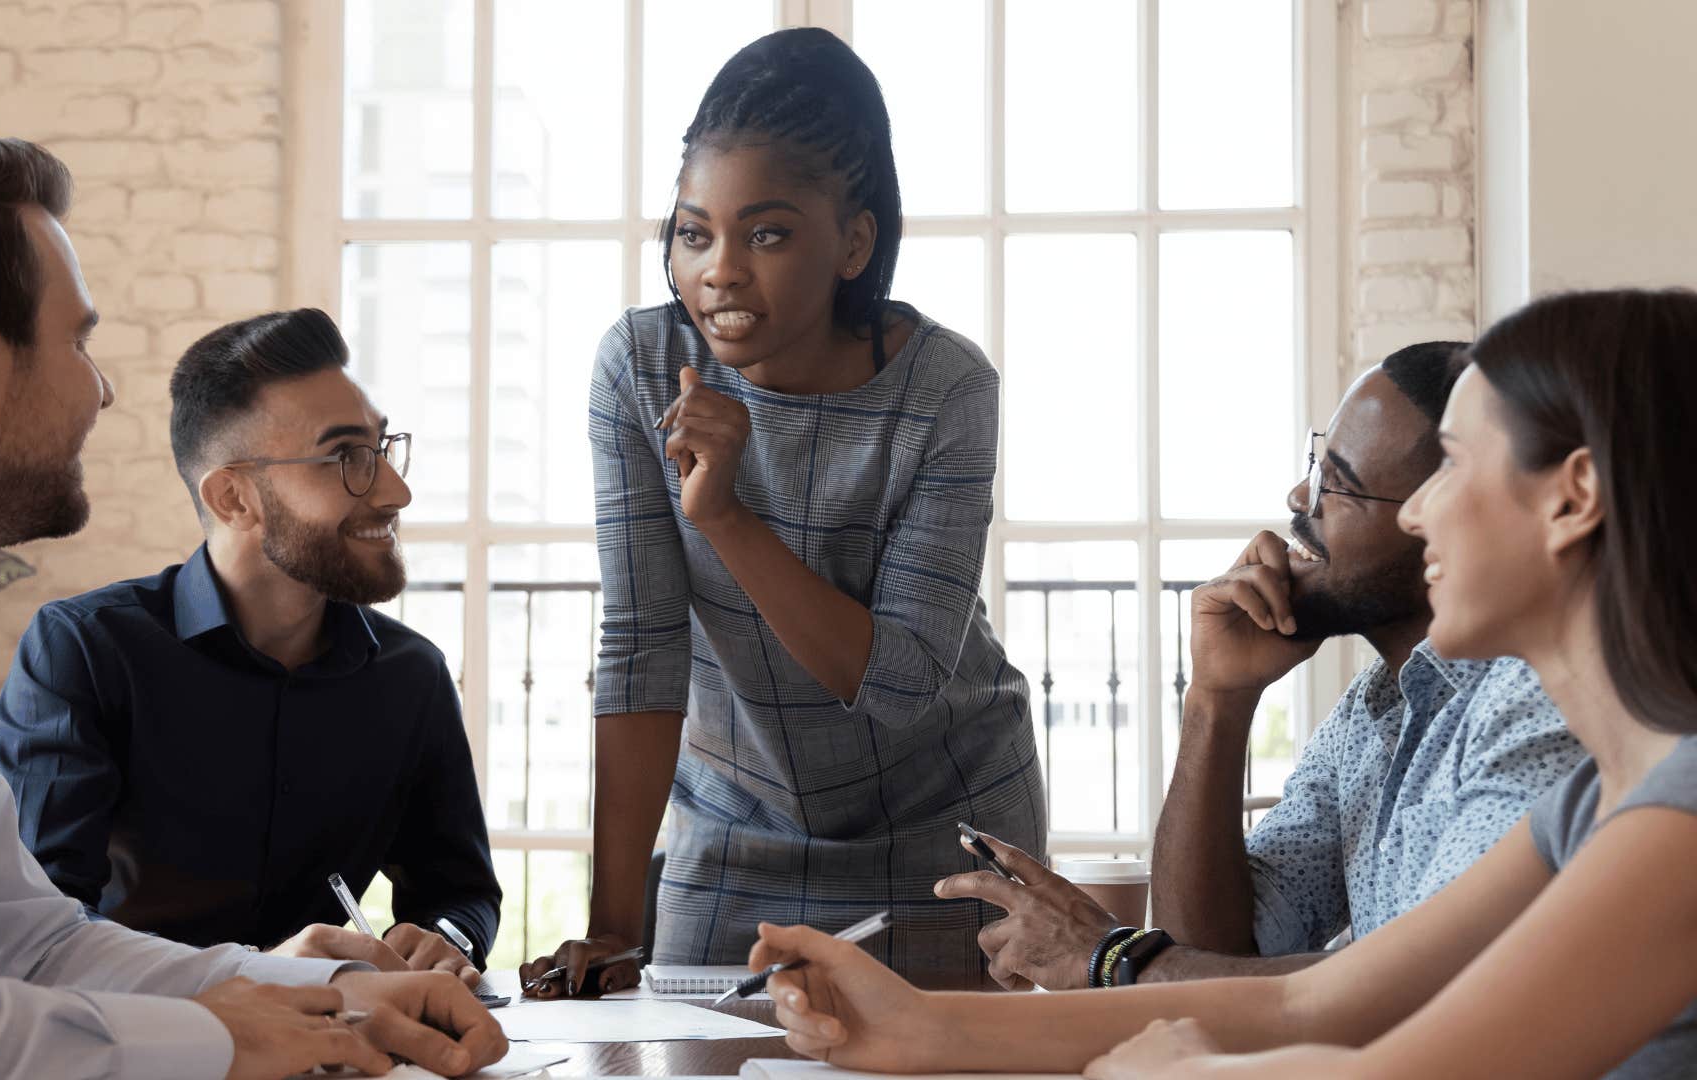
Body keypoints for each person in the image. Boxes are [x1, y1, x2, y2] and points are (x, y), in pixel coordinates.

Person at [750, 288, 1697, 1079]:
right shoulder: (1592, 804)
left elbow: (1395, 1066)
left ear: (1573, 497)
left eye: (1450, 465)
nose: (1417, 510)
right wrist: (911, 1025)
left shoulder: (1681, 817)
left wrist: (1182, 1064)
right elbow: (1305, 999)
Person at [0, 130, 505, 1079]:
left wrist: (323, 997)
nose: (102, 388)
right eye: (77, 340)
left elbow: (27, 946)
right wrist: (219, 1039)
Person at [521, 27, 1045, 994]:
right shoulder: (636, 369)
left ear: (854, 241)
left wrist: (725, 518)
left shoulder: (945, 387)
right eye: (693, 232)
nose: (720, 268)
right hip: (734, 823)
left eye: (766, 233)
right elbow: (641, 641)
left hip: (948, 821)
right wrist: (610, 925)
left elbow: (896, 682)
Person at [939, 343, 1581, 990]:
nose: (1301, 495)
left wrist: (1110, 956)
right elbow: (1217, 957)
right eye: (1315, 465)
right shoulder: (1377, 706)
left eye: (1341, 484)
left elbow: (1429, 993)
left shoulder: (1542, 703)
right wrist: (1218, 699)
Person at [0, 308, 501, 982]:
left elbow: (460, 892)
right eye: (346, 456)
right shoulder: (85, 653)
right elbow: (40, 926)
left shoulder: (412, 676)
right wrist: (251, 974)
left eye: (381, 448)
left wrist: (446, 940)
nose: (395, 490)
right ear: (234, 498)